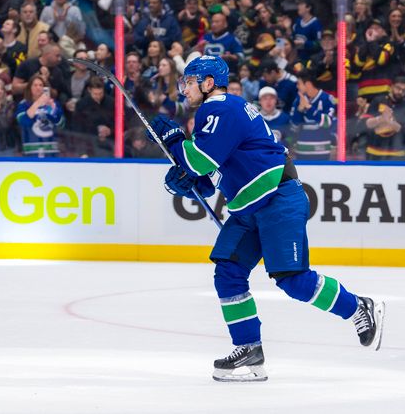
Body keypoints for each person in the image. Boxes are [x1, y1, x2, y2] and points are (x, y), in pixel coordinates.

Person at [146, 55, 384, 382]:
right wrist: (192, 184)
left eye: (188, 81)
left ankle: (358, 307)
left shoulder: (219, 108)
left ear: (208, 83)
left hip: (277, 198)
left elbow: (200, 161)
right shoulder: (217, 113)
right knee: (228, 272)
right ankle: (249, 351)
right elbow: (212, 172)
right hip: (248, 208)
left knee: (293, 280)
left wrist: (174, 141)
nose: (183, 88)